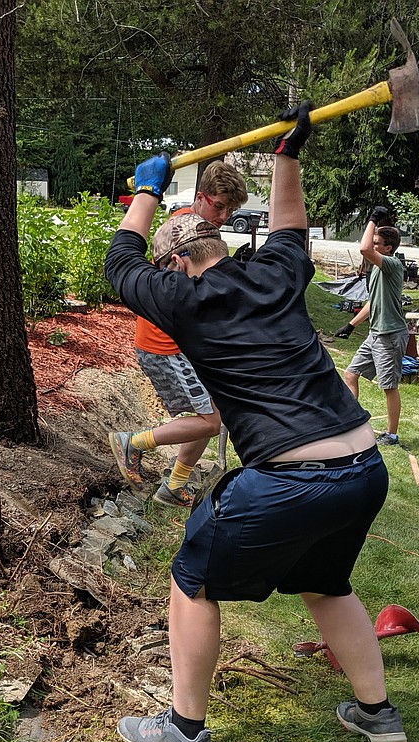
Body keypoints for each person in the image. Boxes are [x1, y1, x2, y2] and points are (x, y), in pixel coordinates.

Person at [104, 103, 405, 742]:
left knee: (191, 579)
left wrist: (145, 191)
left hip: (292, 480)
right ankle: (377, 712)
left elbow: (120, 259)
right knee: (326, 582)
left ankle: (183, 729)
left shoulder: (181, 297)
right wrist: (288, 154)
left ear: (178, 265)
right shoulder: (274, 273)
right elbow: (290, 224)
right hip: (362, 468)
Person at [108, 161, 249, 507]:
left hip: (183, 343)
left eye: (231, 209)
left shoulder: (201, 228)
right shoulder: (182, 231)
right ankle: (133, 443)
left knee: (212, 410)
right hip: (165, 345)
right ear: (201, 197)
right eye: (218, 205)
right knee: (210, 420)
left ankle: (175, 484)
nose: (224, 215)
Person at [341, 209, 408, 445]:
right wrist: (350, 325)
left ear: (388, 248)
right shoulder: (379, 270)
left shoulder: (391, 264)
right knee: (350, 375)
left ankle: (391, 434)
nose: (372, 243)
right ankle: (350, 424)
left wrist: (372, 219)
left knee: (388, 386)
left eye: (377, 242)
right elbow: (373, 302)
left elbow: (364, 249)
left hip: (389, 335)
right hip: (375, 334)